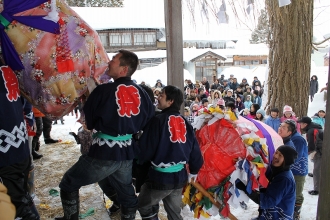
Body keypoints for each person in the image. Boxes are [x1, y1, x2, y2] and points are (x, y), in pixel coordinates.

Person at [55, 50, 155, 220]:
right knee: (126, 191)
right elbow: (148, 119)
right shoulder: (143, 93)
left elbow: (90, 122)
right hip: (127, 150)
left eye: (114, 60)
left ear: (123, 69)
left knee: (69, 182)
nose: (109, 62)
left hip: (105, 151)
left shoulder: (104, 91)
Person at [137, 85, 203, 220]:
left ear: (170, 101)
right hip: (180, 177)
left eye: (161, 95)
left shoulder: (157, 121)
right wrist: (194, 170)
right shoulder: (185, 122)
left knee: (143, 205)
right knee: (174, 213)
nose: (158, 98)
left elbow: (145, 150)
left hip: (160, 177)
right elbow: (195, 151)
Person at [0, 64, 40, 219]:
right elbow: (26, 103)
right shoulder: (9, 68)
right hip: (18, 144)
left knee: (16, 205)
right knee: (23, 197)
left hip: (5, 152)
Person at [236, 145, 297, 220]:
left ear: (286, 161)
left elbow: (267, 201)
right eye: (276, 152)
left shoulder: (284, 179)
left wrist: (246, 189)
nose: (276, 156)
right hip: (268, 215)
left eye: (280, 155)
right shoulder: (275, 170)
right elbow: (264, 188)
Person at [298, 116, 323, 196]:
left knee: (317, 169)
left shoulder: (311, 131)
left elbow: (312, 144)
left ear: (305, 124)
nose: (300, 125)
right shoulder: (315, 127)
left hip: (320, 151)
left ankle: (317, 189)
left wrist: (311, 152)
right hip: (321, 149)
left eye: (301, 123)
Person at [289, 120, 308, 219]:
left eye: (284, 127)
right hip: (291, 169)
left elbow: (297, 156)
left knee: (297, 193)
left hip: (298, 170)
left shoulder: (298, 139)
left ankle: (296, 213)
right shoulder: (289, 138)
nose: (280, 129)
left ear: (290, 130)